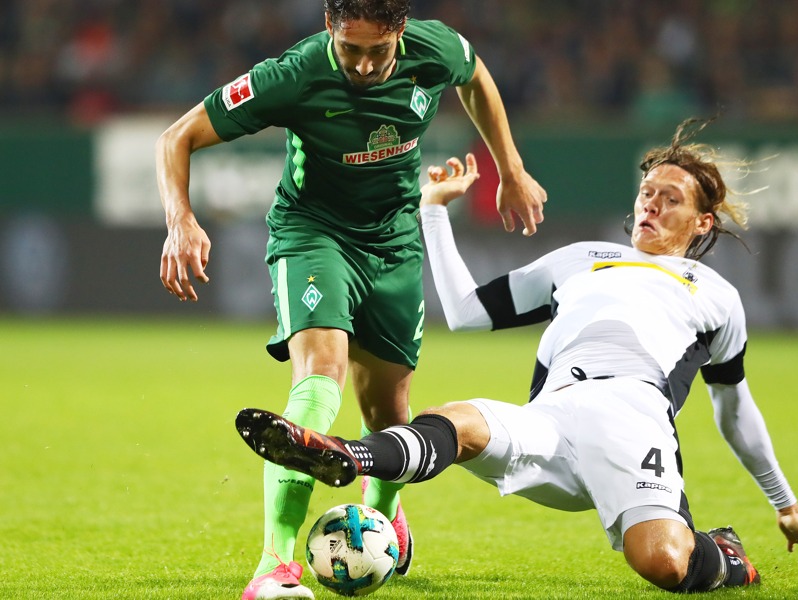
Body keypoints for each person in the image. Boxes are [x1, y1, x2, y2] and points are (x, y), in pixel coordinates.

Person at [235, 118, 798, 593]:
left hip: (632, 423)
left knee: (663, 564)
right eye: (645, 193)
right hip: (551, 417)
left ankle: (725, 555)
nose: (650, 206)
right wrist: (432, 211)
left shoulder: (715, 294)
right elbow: (469, 313)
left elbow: (734, 408)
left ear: (703, 221)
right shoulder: (583, 257)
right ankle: (349, 455)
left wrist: (785, 506)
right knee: (460, 420)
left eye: (669, 199)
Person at [155, 0, 547, 597]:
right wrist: (180, 219)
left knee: (390, 413)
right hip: (313, 234)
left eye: (378, 52)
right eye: (350, 50)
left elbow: (476, 76)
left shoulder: (435, 48)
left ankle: (383, 519)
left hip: (393, 240)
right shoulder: (293, 75)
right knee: (321, 375)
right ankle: (274, 567)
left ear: (401, 33)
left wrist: (511, 168)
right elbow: (176, 138)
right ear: (329, 30)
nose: (363, 67)